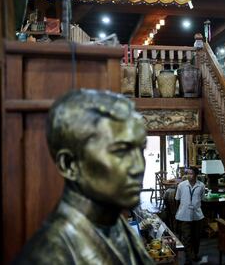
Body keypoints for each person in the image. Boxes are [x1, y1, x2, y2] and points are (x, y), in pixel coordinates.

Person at [14, 89, 154, 264]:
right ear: (69, 165)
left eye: (141, 149)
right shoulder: (46, 256)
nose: (139, 167)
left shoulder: (114, 223)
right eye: (120, 151)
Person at [175, 167, 205, 264]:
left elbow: (202, 198)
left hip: (197, 215)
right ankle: (188, 258)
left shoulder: (201, 186)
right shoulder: (181, 185)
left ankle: (195, 254)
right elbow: (178, 198)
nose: (188, 175)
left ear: (196, 175)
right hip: (184, 215)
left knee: (196, 237)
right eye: (187, 173)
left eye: (191, 173)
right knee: (186, 237)